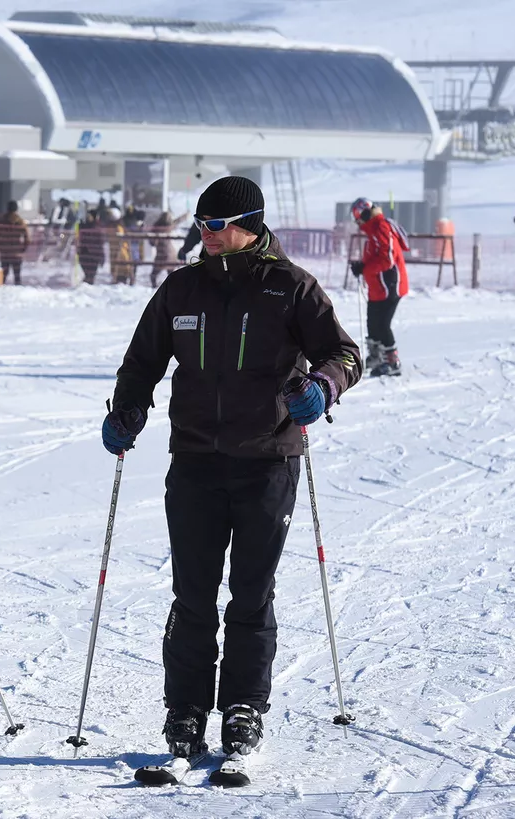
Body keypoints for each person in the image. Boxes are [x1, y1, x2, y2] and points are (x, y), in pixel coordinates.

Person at [102, 176, 361, 764]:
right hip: (194, 461)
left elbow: (345, 354)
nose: (207, 235)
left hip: (268, 461)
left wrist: (322, 387)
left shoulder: (291, 288)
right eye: (201, 225)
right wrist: (126, 412)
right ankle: (186, 707)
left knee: (251, 591)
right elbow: (142, 361)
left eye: (217, 226)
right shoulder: (182, 289)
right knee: (192, 593)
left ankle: (244, 705)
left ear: (249, 225)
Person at [349, 197, 409, 377]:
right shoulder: (373, 231)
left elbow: (387, 259)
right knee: (372, 323)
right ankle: (376, 356)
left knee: (383, 325)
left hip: (390, 285)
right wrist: (361, 266)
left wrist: (365, 268)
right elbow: (373, 255)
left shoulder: (382, 227)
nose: (358, 223)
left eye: (359, 219)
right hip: (377, 287)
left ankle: (392, 362)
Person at [0, 200, 30, 285]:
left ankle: (0, 292)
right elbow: (27, 238)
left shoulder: (1, 220)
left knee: (3, 275)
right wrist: (23, 249)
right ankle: (18, 292)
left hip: (5, 251)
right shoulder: (20, 221)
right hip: (17, 252)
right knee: (17, 275)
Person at [106, 207, 134, 285]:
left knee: (122, 265)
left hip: (121, 250)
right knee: (117, 265)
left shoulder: (118, 227)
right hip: (115, 249)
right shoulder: (112, 226)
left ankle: (123, 279)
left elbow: (120, 238)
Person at [149, 211, 177, 287]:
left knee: (153, 274)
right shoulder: (170, 226)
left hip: (162, 254)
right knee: (171, 273)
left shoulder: (156, 228)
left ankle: (154, 287)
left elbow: (153, 243)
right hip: (172, 253)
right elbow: (178, 221)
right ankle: (172, 287)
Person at [77, 209, 105, 285]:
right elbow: (81, 237)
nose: (88, 217)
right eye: (87, 216)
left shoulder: (97, 227)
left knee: (91, 274)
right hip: (84, 252)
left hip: (94, 254)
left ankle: (87, 286)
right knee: (87, 272)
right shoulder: (84, 225)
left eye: (90, 216)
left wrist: (102, 256)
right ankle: (86, 285)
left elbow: (101, 243)